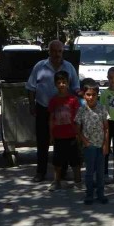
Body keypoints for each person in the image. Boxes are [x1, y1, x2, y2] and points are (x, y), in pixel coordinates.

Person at [26, 40, 80, 182]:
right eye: (54, 51)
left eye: (59, 51)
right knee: (42, 141)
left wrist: (81, 96)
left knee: (64, 142)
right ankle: (40, 172)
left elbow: (75, 86)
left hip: (64, 111)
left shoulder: (69, 67)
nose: (57, 54)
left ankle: (63, 172)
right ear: (49, 52)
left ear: (63, 52)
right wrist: (32, 104)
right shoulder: (40, 66)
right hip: (43, 108)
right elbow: (31, 87)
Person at [75, 79, 110, 205]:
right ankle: (89, 194)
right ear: (84, 95)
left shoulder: (102, 109)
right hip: (89, 146)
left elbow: (106, 128)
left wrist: (106, 145)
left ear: (97, 95)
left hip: (100, 145)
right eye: (88, 94)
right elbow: (77, 129)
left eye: (94, 95)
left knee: (100, 172)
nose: (91, 97)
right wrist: (84, 141)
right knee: (89, 172)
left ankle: (100, 193)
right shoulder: (82, 110)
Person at [47, 70, 81, 192]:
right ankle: (56, 182)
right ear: (55, 84)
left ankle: (78, 182)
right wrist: (51, 135)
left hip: (72, 135)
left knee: (75, 160)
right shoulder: (53, 101)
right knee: (57, 162)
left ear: (68, 83)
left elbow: (78, 118)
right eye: (59, 82)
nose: (62, 84)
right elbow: (51, 119)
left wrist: (78, 134)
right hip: (58, 136)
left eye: (64, 82)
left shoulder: (73, 100)